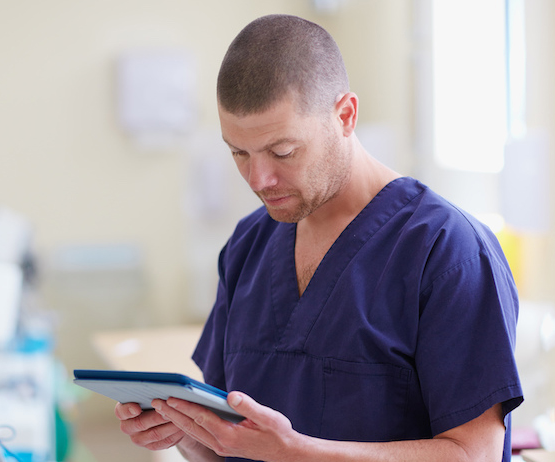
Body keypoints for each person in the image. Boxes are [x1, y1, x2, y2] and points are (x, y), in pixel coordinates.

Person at [115, 14, 523, 462]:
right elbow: (232, 448)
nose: (260, 178)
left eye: (283, 151)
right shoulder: (248, 245)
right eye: (239, 153)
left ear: (345, 115)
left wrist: (299, 453)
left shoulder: (447, 251)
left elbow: (474, 454)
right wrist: (186, 433)